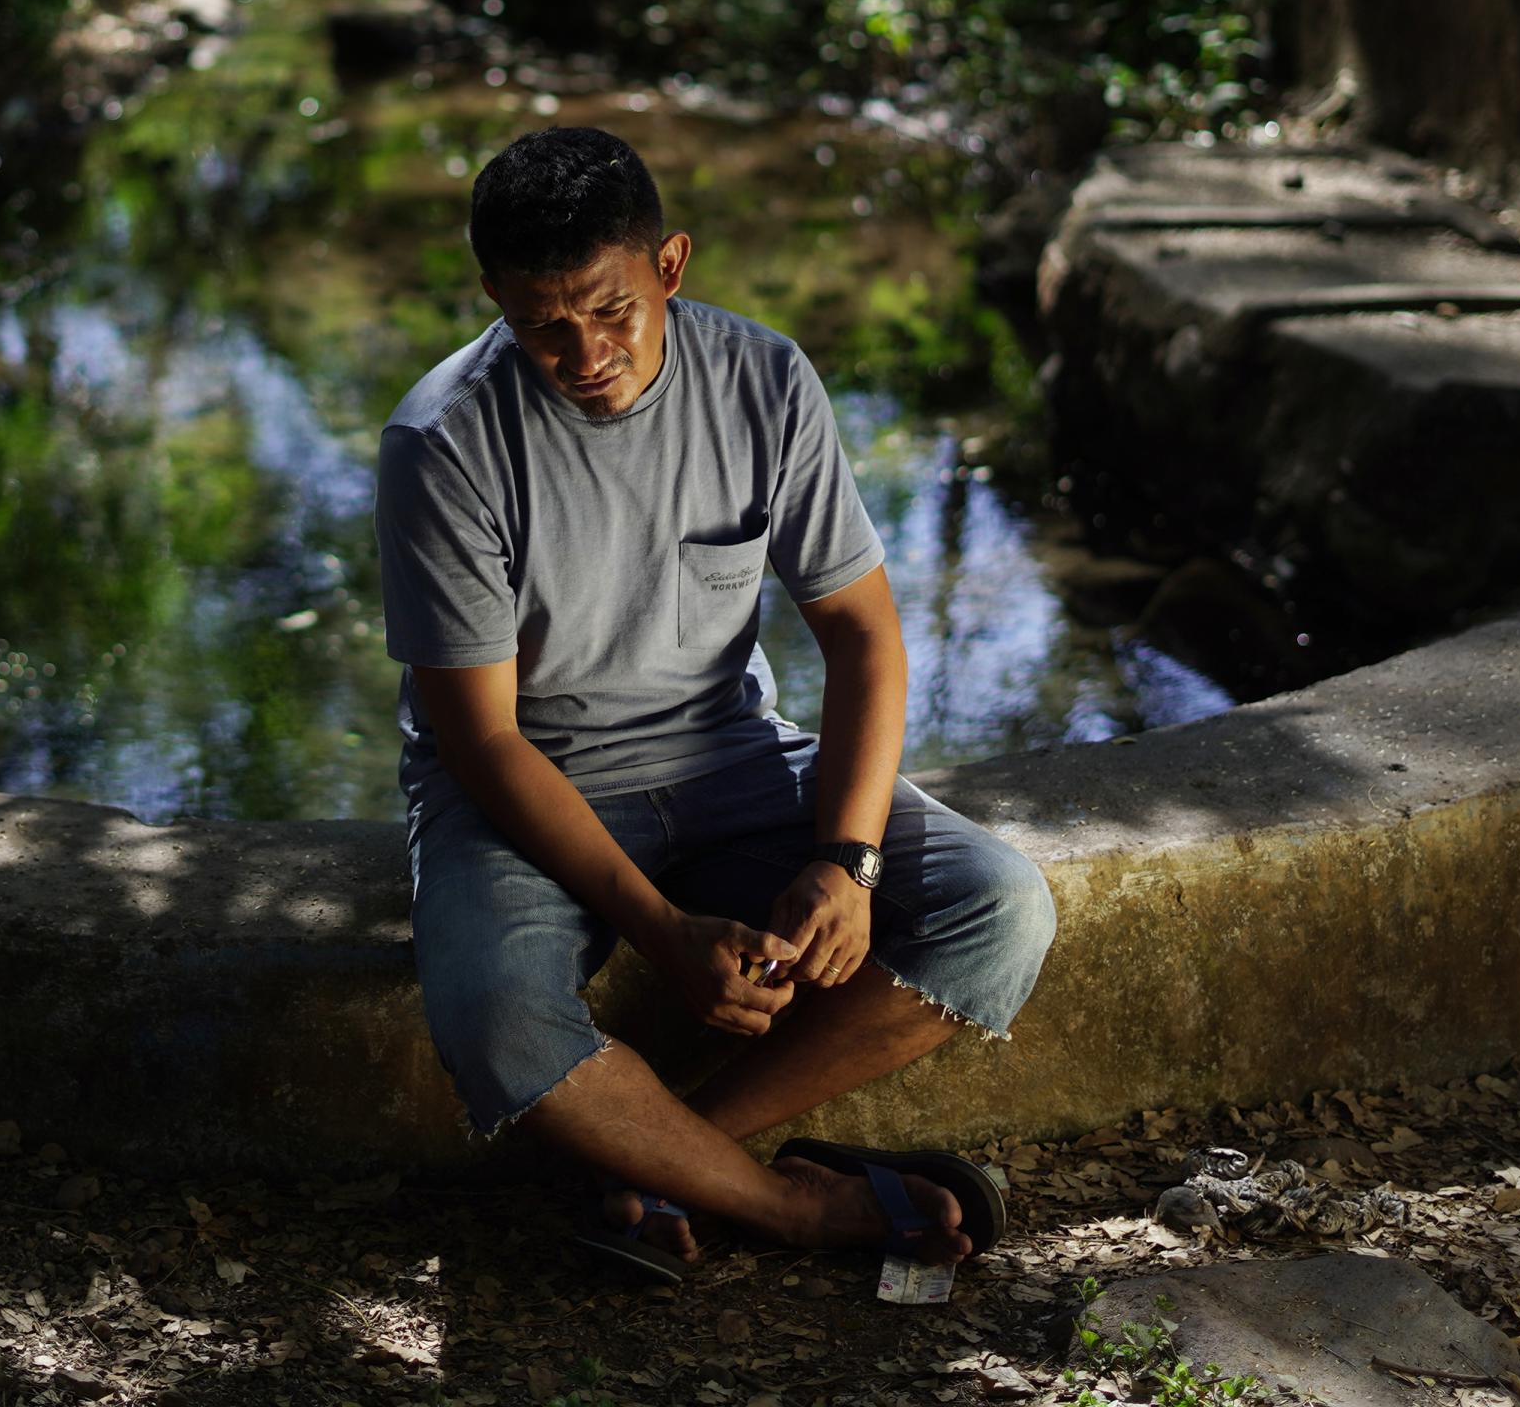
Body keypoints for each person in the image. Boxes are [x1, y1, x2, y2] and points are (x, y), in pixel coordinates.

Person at [374, 124, 1058, 1281]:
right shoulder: (442, 440)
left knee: (1001, 909)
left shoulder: (764, 377)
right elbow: (481, 738)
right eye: (542, 323)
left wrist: (848, 859)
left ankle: (656, 1155)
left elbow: (861, 632)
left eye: (611, 310)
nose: (583, 350)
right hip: (524, 788)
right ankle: (795, 1210)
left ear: (671, 264)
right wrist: (662, 929)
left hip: (730, 755)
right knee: (494, 1016)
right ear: (493, 295)